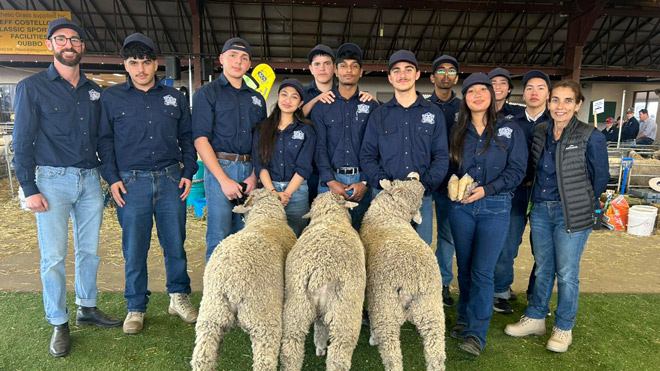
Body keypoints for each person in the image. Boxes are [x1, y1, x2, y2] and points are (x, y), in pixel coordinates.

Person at [12, 17, 121, 357]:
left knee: (89, 250)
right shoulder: (31, 87)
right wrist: (29, 187)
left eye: (74, 39)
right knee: (53, 256)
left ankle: (87, 307)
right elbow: (22, 140)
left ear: (82, 46)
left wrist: (110, 176)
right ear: (50, 45)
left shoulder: (94, 90)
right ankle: (58, 321)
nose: (68, 45)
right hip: (51, 182)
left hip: (89, 181)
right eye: (60, 39)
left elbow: (103, 138)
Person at [97, 33, 199, 335]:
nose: (140, 68)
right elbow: (104, 142)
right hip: (131, 183)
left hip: (170, 180)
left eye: (146, 61)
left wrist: (188, 171)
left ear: (156, 63)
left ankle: (178, 296)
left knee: (174, 244)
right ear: (125, 65)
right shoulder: (112, 98)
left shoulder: (174, 97)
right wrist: (112, 179)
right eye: (133, 62)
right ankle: (136, 307)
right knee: (134, 248)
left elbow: (187, 139)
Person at [504, 80, 609, 353]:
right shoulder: (540, 131)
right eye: (556, 100)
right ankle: (536, 317)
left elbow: (600, 179)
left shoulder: (590, 135)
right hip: (540, 208)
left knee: (566, 273)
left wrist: (580, 203)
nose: (560, 106)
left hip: (571, 213)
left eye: (567, 101)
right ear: (548, 103)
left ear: (578, 105)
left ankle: (563, 327)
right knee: (543, 267)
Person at [446, 73, 527, 356]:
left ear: (492, 96)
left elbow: (517, 170)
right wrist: (451, 185)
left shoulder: (509, 128)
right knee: (465, 268)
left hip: (495, 206)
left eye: (484, 89)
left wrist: (489, 189)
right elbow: (449, 167)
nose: (478, 94)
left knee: (482, 270)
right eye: (471, 91)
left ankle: (476, 334)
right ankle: (465, 317)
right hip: (462, 208)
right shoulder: (457, 130)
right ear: (465, 99)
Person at [360, 50, 448, 245]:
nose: (403, 75)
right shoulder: (379, 115)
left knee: (420, 253)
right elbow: (367, 155)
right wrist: (383, 183)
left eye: (408, 69)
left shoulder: (433, 114)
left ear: (417, 74)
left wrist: (422, 186)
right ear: (390, 78)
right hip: (385, 199)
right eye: (397, 70)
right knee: (383, 254)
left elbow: (441, 157)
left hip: (420, 198)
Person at [192, 38, 267, 261]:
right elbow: (200, 139)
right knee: (219, 236)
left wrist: (254, 176)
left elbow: (261, 141)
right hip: (220, 169)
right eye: (233, 56)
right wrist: (223, 180)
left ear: (249, 65)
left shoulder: (256, 99)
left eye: (244, 58)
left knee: (246, 236)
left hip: (249, 171)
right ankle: (215, 294)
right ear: (222, 59)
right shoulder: (207, 94)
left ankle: (241, 291)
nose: (238, 61)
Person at [493, 70, 552, 315]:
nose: (534, 92)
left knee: (543, 249)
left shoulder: (557, 119)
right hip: (515, 193)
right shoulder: (510, 120)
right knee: (507, 244)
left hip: (545, 195)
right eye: (529, 88)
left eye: (540, 87)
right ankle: (500, 290)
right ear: (522, 92)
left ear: (548, 93)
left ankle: (536, 296)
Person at [312, 43, 379, 230]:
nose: (348, 70)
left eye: (354, 66)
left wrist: (365, 181)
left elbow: (377, 148)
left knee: (362, 236)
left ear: (361, 72)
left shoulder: (372, 106)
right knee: (327, 236)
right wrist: (330, 181)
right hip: (330, 181)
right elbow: (319, 147)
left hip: (362, 183)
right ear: (335, 70)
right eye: (343, 65)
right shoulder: (322, 106)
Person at [253, 79, 316, 236]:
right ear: (278, 97)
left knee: (297, 238)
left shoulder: (307, 130)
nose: (288, 100)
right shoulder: (262, 128)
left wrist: (286, 194)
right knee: (269, 238)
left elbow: (304, 166)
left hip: (297, 192)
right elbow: (260, 164)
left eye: (294, 97)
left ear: (300, 103)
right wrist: (273, 192)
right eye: (284, 95)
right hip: (269, 191)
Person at [428, 54, 461, 306]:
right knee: (420, 234)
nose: (446, 75)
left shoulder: (464, 108)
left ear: (456, 78)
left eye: (451, 71)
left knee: (447, 235)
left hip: (452, 181)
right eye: (441, 71)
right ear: (432, 77)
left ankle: (442, 284)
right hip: (425, 180)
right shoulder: (422, 107)